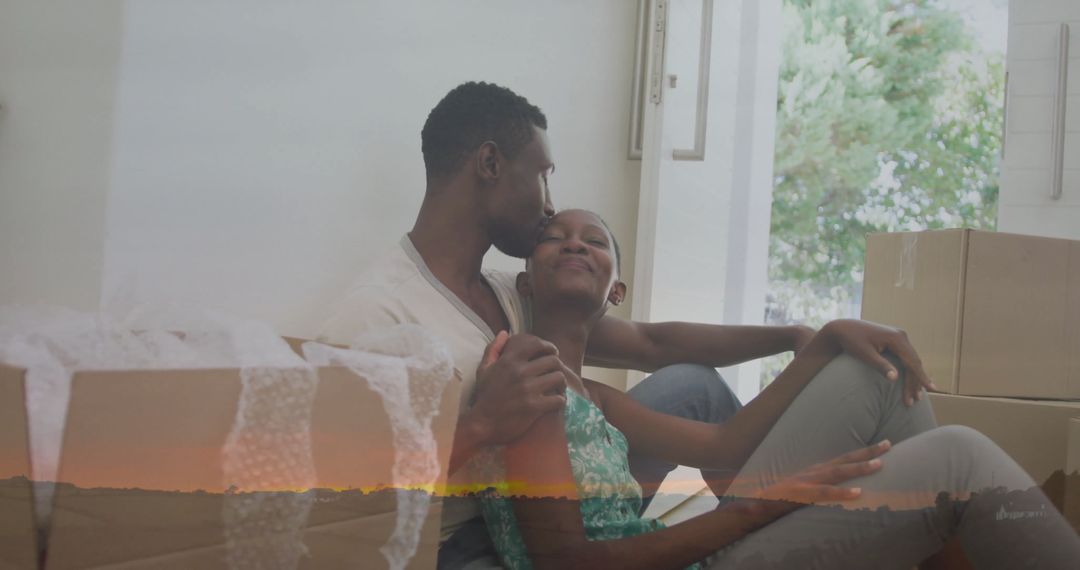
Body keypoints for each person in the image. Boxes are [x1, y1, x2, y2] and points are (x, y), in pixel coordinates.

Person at [318, 81, 933, 569]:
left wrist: (800, 337)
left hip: (562, 497)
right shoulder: (378, 314)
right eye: (543, 174)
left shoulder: (510, 293)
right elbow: (335, 494)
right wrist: (479, 427)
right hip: (466, 544)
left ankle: (817, 519)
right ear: (489, 164)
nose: (551, 203)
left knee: (698, 383)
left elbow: (652, 341)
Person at [478, 208, 1080, 570]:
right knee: (960, 457)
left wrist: (816, 341)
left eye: (596, 239)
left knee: (871, 366)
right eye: (556, 235)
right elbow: (569, 564)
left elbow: (723, 444)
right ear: (525, 281)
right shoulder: (528, 375)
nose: (576, 241)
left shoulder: (601, 399)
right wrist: (770, 503)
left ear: (616, 291)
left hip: (694, 554)